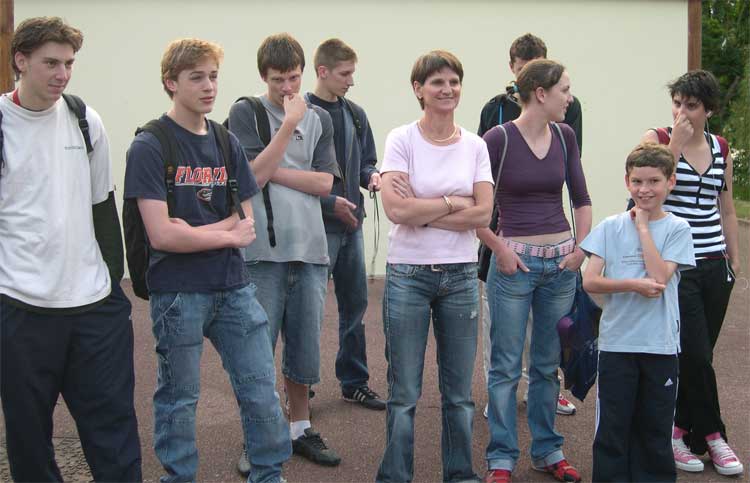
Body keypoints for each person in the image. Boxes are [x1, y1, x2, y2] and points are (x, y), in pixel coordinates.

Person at [123, 38, 291, 483]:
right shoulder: (150, 146)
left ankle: (268, 474)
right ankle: (178, 477)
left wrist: (197, 234)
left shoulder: (225, 140)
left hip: (234, 288)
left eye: (213, 76)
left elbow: (246, 224)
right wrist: (223, 234)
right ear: (170, 83)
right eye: (196, 77)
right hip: (177, 292)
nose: (208, 86)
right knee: (179, 398)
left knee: (260, 390)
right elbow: (161, 235)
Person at [0, 16, 141, 482]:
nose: (62, 74)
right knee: (28, 436)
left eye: (69, 63)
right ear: (21, 61)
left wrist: (111, 288)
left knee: (114, 430)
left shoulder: (85, 120)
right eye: (51, 63)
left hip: (93, 307)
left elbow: (103, 206)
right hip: (20, 306)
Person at [376, 50, 494, 483]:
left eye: (453, 81)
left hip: (460, 275)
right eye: (437, 82)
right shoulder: (401, 139)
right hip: (408, 274)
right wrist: (451, 202)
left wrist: (422, 210)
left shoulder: (476, 146)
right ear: (418, 90)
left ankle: (460, 474)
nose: (447, 90)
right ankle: (395, 476)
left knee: (459, 395)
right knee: (404, 392)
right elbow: (395, 210)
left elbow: (484, 214)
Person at [227, 32, 342, 469]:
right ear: (264, 77)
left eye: (294, 78)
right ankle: (256, 434)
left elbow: (325, 183)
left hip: (309, 250)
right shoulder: (246, 112)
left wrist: (274, 169)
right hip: (261, 254)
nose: (288, 88)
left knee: (305, 350)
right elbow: (251, 178)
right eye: (278, 80)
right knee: (256, 350)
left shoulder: (321, 119)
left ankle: (299, 428)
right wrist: (289, 125)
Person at [480, 59, 591, 483]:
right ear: (540, 94)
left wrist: (582, 249)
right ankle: (501, 458)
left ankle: (548, 451)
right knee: (505, 367)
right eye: (565, 90)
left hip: (560, 267)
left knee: (547, 366)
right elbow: (475, 208)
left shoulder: (564, 136)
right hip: (514, 267)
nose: (570, 98)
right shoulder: (498, 139)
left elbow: (581, 198)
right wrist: (499, 250)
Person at [641, 70, 743, 477]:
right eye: (677, 102)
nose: (682, 111)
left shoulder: (721, 147)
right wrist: (675, 146)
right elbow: (649, 193)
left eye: (692, 105)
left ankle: (679, 430)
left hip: (715, 264)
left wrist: (735, 259)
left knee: (700, 357)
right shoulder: (657, 140)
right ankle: (714, 436)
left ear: (709, 110)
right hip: (677, 265)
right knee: (695, 354)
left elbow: (727, 207)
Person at [582, 142, 695, 482]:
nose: (645, 190)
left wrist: (643, 228)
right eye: (637, 181)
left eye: (654, 181)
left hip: (660, 346)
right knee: (613, 428)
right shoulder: (610, 226)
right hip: (617, 344)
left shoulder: (678, 228)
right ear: (627, 182)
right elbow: (590, 281)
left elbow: (660, 277)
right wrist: (632, 284)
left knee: (654, 429)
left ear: (670, 182)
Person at [306, 38, 385, 410]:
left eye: (352, 73)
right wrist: (327, 203)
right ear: (323, 72)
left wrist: (372, 177)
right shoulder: (300, 114)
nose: (351, 81)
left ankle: (354, 382)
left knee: (355, 308)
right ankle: (300, 387)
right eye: (345, 73)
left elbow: (367, 161)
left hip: (352, 227)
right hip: (314, 229)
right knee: (306, 313)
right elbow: (289, 175)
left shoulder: (355, 114)